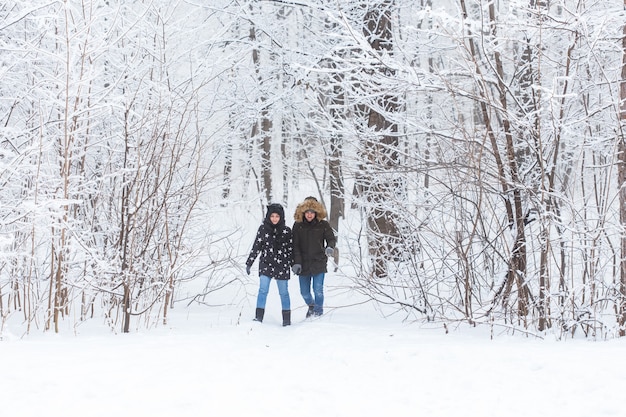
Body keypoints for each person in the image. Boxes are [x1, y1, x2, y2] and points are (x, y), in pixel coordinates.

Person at [245, 203, 293, 326]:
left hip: (282, 265)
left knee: (284, 293)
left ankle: (286, 320)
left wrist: (294, 264)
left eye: (277, 216)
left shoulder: (287, 231)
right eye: (272, 216)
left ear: (281, 217)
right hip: (266, 264)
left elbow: (291, 250)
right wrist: (250, 262)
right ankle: (258, 318)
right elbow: (256, 246)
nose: (274, 218)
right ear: (268, 216)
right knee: (263, 290)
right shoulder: (263, 229)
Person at [291, 196, 336, 318]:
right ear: (303, 212)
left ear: (317, 212)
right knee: (304, 292)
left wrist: (330, 247)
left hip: (319, 262)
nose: (309, 215)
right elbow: (294, 245)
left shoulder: (323, 225)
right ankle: (311, 306)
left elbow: (331, 239)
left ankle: (318, 313)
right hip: (303, 263)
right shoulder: (297, 225)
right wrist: (295, 263)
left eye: (312, 212)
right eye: (307, 212)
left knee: (318, 290)